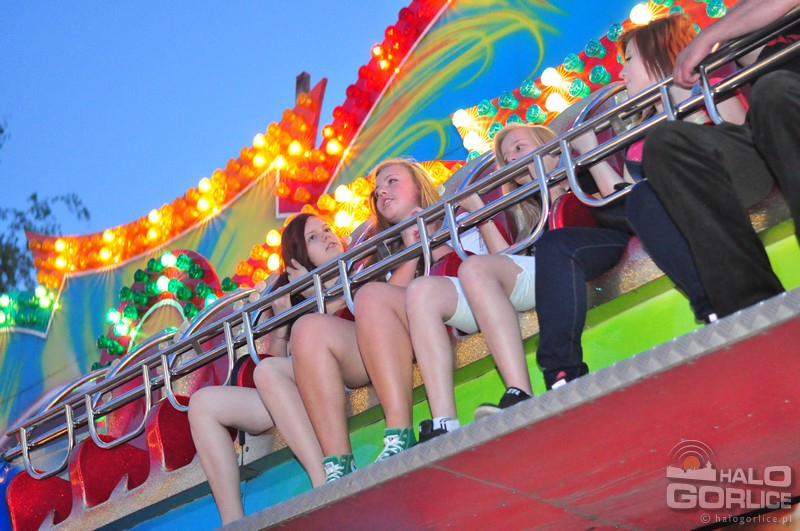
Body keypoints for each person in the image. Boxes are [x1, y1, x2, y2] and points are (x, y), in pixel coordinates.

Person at [460, 14, 744, 418]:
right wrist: (593, 154)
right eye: (507, 159)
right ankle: (561, 373)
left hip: (687, 195)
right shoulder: (636, 132)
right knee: (558, 244)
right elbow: (619, 197)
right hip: (636, 216)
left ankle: (711, 304)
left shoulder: (704, 88)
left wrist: (589, 154)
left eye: (629, 60)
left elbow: (738, 140)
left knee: (643, 199)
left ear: (661, 55)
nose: (621, 72)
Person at [290, 158, 449, 482]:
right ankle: (338, 464)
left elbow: (389, 300)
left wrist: (416, 246)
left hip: (436, 321)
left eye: (392, 182)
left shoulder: (450, 215)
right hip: (385, 340)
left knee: (371, 297)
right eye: (377, 191)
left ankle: (399, 433)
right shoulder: (374, 250)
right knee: (305, 328)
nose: (382, 192)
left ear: (419, 184)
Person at [187, 213, 347, 525]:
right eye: (313, 237)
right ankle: (234, 522)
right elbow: (275, 361)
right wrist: (283, 320)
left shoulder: (360, 261)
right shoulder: (293, 293)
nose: (327, 236)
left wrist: (318, 292)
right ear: (297, 257)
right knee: (203, 403)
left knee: (270, 372)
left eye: (327, 229)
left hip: (341, 372)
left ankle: (323, 480)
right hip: (297, 386)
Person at [644, 0, 800, 317]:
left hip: (784, 104)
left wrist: (706, 37)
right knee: (666, 141)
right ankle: (752, 309)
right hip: (767, 131)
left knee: (774, 91)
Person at [405, 124, 561, 441]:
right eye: (507, 156)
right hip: (523, 277)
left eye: (519, 148)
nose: (512, 158)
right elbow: (508, 262)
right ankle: (444, 421)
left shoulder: (572, 172)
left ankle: (519, 391)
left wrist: (550, 173)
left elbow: (564, 233)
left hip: (560, 266)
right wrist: (481, 215)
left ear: (550, 146)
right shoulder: (520, 208)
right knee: (421, 291)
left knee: (475, 268)